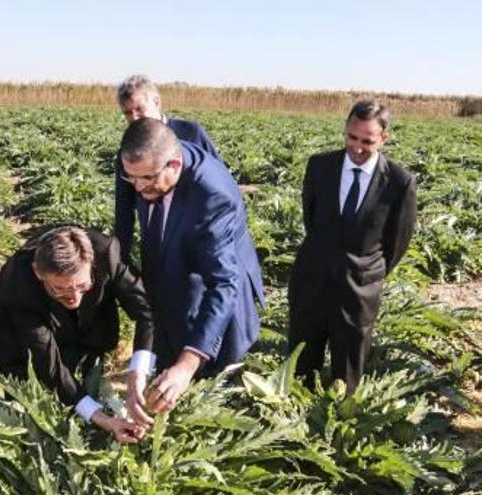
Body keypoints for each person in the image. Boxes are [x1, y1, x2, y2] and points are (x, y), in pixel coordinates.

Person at [119, 118, 265, 415]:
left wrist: (187, 365)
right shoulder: (144, 165)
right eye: (130, 178)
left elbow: (223, 283)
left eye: (145, 179)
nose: (137, 187)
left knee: (210, 408)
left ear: (174, 165)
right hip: (170, 290)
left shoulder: (211, 195)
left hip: (213, 312)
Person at [288, 100, 417, 393]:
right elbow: (312, 220)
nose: (357, 147)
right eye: (352, 137)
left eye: (367, 141)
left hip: (359, 293)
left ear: (384, 138)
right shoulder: (319, 167)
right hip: (311, 283)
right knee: (299, 370)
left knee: (346, 381)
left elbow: (396, 243)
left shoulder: (399, 182)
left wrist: (363, 271)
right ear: (345, 130)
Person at [0, 226, 156, 442]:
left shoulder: (107, 252)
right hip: (17, 334)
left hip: (87, 328)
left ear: (92, 264)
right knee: (30, 395)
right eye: (61, 289)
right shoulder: (18, 287)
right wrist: (101, 418)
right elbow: (47, 363)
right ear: (39, 273)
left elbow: (147, 311)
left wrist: (137, 377)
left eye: (83, 286)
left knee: (86, 359)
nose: (75, 298)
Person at [115, 75, 221, 262]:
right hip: (156, 242)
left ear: (157, 102)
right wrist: (118, 258)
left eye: (139, 109)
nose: (134, 117)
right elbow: (124, 208)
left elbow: (220, 183)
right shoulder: (129, 147)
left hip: (197, 236)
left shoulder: (191, 133)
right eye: (127, 113)